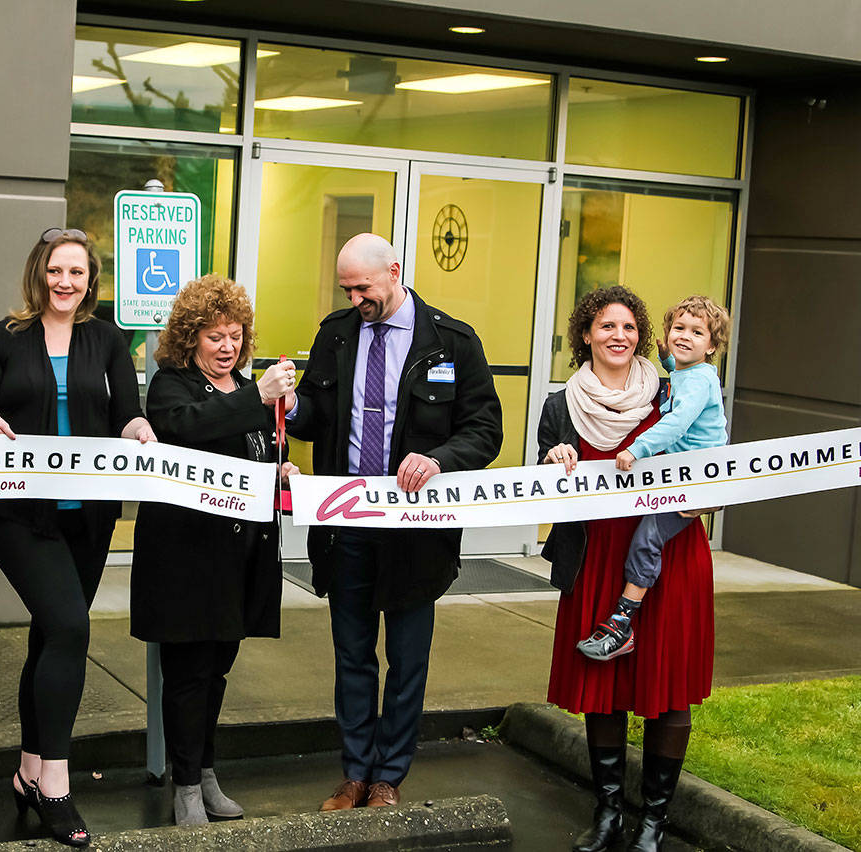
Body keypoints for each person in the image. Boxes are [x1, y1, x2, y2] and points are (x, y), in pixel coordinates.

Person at [283, 233, 502, 811]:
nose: (356, 299)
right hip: (346, 526)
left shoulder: (451, 342)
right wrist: (287, 405)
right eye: (347, 289)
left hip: (416, 531)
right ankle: (355, 772)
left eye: (364, 287)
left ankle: (388, 778)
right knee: (352, 653)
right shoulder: (335, 333)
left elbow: (484, 430)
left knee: (407, 659)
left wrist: (439, 460)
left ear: (395, 272)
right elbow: (315, 414)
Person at [0, 228, 154, 848]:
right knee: (69, 626)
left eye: (77, 273)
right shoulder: (4, 337)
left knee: (50, 634)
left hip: (88, 517)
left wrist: (141, 427)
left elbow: (128, 411)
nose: (65, 283)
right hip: (20, 514)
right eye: (55, 271)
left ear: (91, 281)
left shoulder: (108, 340)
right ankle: (56, 784)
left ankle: (27, 769)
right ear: (39, 274)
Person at [538, 285, 714, 852]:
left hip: (668, 552)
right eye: (606, 326)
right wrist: (554, 459)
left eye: (630, 327)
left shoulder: (671, 387)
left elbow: (711, 452)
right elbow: (540, 486)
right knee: (602, 689)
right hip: (596, 559)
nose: (620, 336)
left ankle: (654, 822)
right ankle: (609, 812)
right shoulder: (560, 404)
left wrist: (711, 490)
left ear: (643, 336)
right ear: (585, 334)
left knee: (667, 691)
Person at [129, 275, 298, 827]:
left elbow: (254, 452)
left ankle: (205, 774)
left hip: (241, 557)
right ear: (189, 338)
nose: (227, 346)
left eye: (235, 335)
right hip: (187, 560)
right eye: (214, 336)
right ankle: (183, 789)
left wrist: (280, 470)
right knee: (187, 675)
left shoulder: (246, 387)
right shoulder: (172, 386)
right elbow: (187, 430)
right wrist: (260, 397)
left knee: (218, 670)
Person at [578, 295, 731, 661]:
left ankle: (621, 623)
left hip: (692, 485)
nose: (685, 337)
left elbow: (677, 421)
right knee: (647, 538)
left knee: (647, 539)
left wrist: (637, 449)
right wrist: (666, 357)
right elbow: (676, 372)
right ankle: (622, 619)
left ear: (712, 346)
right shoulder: (687, 373)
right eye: (678, 328)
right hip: (680, 479)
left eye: (697, 332)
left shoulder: (697, 383)